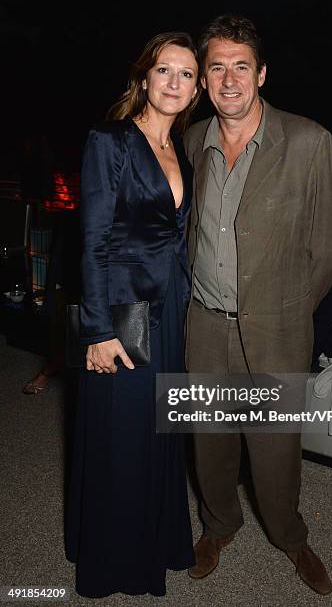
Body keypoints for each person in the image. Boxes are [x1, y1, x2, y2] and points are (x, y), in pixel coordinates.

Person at [184, 15, 332, 596]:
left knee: (275, 448)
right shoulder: (190, 140)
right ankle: (218, 526)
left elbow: (328, 246)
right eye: (217, 68)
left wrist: (288, 308)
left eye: (241, 66)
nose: (230, 80)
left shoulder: (309, 141)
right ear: (203, 80)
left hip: (278, 325)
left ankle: (290, 536)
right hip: (202, 323)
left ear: (262, 73)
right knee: (209, 439)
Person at [64, 32, 200, 598]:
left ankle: (158, 540)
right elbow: (91, 240)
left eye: (187, 74)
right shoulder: (110, 139)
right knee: (121, 436)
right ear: (144, 77)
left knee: (158, 429)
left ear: (196, 89)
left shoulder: (182, 148)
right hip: (121, 311)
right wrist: (96, 330)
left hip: (169, 305)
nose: (174, 83)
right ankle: (114, 560)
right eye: (164, 71)